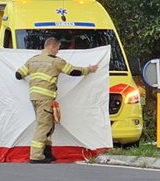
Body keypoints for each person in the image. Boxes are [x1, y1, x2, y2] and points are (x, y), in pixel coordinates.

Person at [14, 36, 99, 164]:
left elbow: (18, 75)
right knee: (44, 126)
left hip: (34, 98)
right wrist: (89, 70)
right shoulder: (55, 61)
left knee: (48, 125)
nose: (58, 51)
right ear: (52, 47)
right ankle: (36, 155)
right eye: (58, 48)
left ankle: (47, 152)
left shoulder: (33, 60)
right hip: (45, 98)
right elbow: (73, 71)